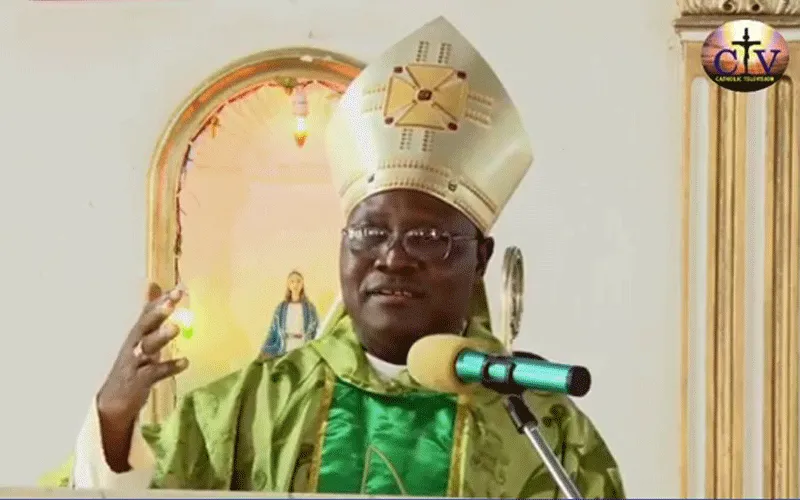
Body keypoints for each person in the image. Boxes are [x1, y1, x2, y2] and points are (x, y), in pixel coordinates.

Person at [41, 16, 625, 497]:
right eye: (369, 234)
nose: (391, 257)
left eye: (426, 238)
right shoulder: (249, 407)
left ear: (480, 259)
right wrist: (114, 419)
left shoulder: (541, 425)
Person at [260, 270, 320, 358]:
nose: (295, 285)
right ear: (288, 285)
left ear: (302, 285)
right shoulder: (281, 308)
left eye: (298, 281)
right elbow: (273, 331)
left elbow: (316, 329)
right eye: (292, 281)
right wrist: (264, 350)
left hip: (302, 347)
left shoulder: (310, 308)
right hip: (285, 348)